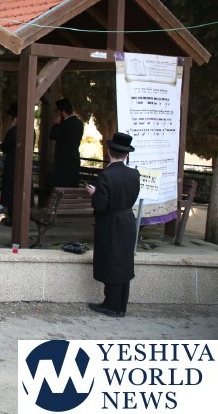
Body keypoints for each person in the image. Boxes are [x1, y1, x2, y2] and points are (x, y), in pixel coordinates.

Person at [85, 132, 140, 318]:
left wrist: (94, 194)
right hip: (128, 220)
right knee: (124, 261)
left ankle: (112, 305)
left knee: (112, 261)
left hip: (111, 223)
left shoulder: (106, 175)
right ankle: (121, 305)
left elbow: (101, 205)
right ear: (127, 154)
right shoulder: (134, 174)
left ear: (109, 151)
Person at [49, 97, 84, 187]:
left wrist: (56, 124)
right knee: (72, 187)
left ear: (63, 112)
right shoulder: (79, 123)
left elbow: (52, 136)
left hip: (62, 163)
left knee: (61, 187)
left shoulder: (65, 124)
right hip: (74, 160)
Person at [0, 103, 19, 222]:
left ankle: (12, 218)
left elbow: (4, 147)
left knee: (11, 191)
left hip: (12, 165)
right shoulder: (31, 130)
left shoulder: (13, 131)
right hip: (23, 165)